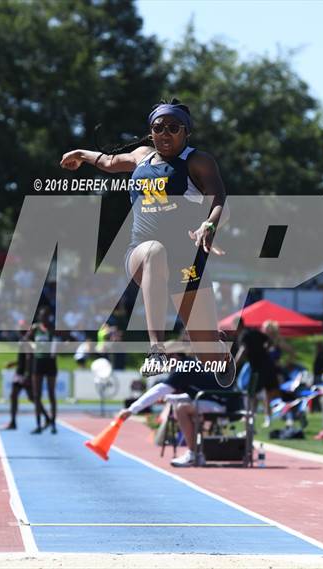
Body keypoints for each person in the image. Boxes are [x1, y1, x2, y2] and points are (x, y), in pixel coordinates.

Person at [60, 98, 234, 387]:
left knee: (207, 356)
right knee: (155, 251)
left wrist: (210, 223)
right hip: (141, 253)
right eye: (158, 127)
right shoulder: (142, 157)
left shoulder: (197, 161)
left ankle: (220, 351)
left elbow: (219, 198)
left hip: (186, 263)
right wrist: (81, 153)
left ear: (186, 132)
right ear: (151, 131)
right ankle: (157, 349)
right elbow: (110, 162)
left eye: (173, 127)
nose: (165, 133)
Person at [118, 350, 229, 467]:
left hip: (222, 404)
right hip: (221, 401)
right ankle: (197, 454)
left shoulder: (183, 366)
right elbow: (193, 394)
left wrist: (131, 410)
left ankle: (193, 454)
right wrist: (168, 398)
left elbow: (160, 389)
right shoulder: (191, 364)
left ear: (175, 356)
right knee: (184, 408)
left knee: (181, 409)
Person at [234, 317, 280, 427]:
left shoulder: (244, 335)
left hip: (258, 368)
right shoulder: (254, 331)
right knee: (268, 393)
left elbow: (243, 350)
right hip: (268, 364)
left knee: (251, 394)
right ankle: (267, 419)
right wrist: (264, 351)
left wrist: (234, 364)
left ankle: (251, 419)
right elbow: (269, 341)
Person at [3, 345, 51, 430]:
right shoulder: (25, 339)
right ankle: (47, 418)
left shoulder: (27, 340)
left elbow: (29, 358)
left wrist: (27, 375)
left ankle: (47, 418)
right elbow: (24, 359)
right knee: (27, 397)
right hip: (21, 373)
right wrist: (14, 363)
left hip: (23, 374)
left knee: (29, 397)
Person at [26, 307, 58, 434]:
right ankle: (38, 424)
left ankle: (53, 423)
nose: (43, 318)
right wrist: (33, 346)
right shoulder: (35, 328)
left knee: (51, 394)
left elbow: (63, 339)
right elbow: (26, 339)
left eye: (45, 316)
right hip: (38, 362)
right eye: (41, 316)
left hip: (50, 363)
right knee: (37, 395)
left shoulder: (52, 328)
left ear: (49, 317)